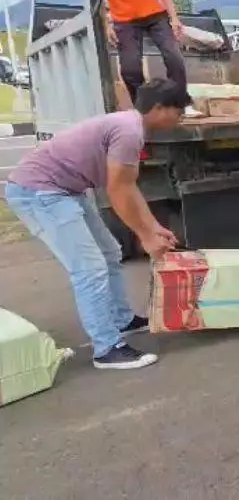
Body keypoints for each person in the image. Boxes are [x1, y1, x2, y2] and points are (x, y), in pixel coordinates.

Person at [4, 79, 190, 370]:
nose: (180, 119)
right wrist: (145, 236)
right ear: (159, 108)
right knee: (89, 269)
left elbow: (128, 186)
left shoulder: (130, 126)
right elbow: (116, 190)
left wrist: (154, 228)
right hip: (40, 192)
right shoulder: (129, 131)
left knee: (109, 253)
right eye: (178, 112)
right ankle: (106, 349)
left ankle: (121, 319)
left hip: (65, 190)